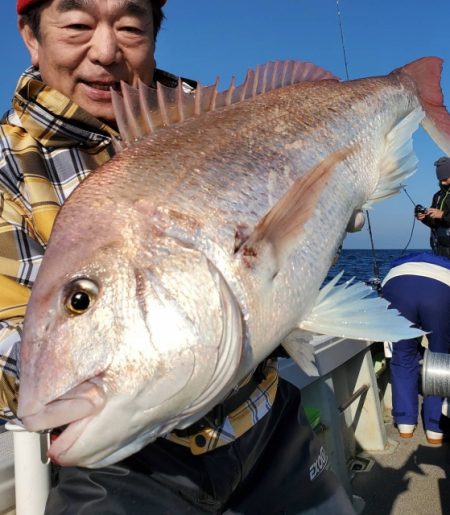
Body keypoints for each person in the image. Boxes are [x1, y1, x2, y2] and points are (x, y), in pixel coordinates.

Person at [0, 1, 356, 513]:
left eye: (129, 27)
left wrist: (338, 205)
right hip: (130, 463)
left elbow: (295, 234)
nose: (104, 51)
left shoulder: (217, 113)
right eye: (77, 24)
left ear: (154, 33)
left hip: (262, 414)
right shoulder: (9, 165)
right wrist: (123, 383)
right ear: (31, 36)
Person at [382, 252, 450, 444]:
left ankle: (405, 423)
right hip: (441, 287)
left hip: (397, 283)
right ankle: (435, 428)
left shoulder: (399, 264)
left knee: (402, 354)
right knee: (440, 357)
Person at [416, 156, 450, 258]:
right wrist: (424, 218)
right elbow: (434, 223)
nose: (442, 182)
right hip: (440, 250)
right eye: (440, 179)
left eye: (445, 179)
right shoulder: (437, 196)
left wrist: (442, 214)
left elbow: (442, 216)